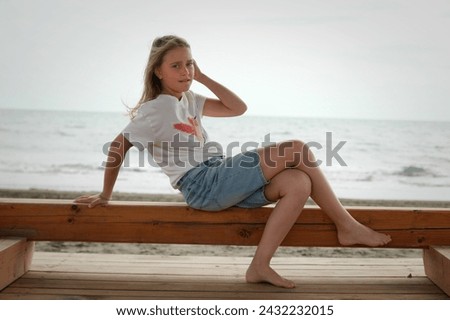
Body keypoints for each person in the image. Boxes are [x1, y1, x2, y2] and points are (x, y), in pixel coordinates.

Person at [74, 35, 391, 289]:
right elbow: (119, 145)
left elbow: (237, 107)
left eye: (189, 64)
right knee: (296, 149)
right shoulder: (155, 109)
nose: (185, 72)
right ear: (158, 71)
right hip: (201, 183)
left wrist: (203, 77)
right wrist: (106, 195)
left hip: (218, 175)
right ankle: (346, 225)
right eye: (176, 66)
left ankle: (259, 266)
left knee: (298, 182)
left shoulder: (191, 100)